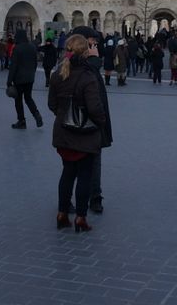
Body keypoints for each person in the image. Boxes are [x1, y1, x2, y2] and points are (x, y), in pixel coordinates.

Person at [49, 34, 108, 232]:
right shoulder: (87, 76)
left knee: (67, 173)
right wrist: (100, 123)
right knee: (84, 176)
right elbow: (95, 108)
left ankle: (62, 213)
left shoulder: (58, 74)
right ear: (86, 52)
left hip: (63, 133)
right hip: (85, 135)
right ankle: (81, 218)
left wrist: (65, 116)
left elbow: (52, 104)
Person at [66, 26, 112, 214]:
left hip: (77, 124)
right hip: (82, 123)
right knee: (75, 164)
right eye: (92, 42)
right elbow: (86, 86)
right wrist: (94, 61)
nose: (95, 46)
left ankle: (94, 196)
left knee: (86, 163)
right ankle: (82, 199)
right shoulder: (77, 67)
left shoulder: (81, 65)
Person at [7, 29, 43, 129]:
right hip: (30, 78)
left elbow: (13, 65)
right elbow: (35, 62)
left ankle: (21, 121)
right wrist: (32, 73)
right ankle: (36, 114)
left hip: (19, 78)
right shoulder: (32, 47)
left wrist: (9, 81)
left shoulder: (17, 48)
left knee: (18, 100)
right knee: (28, 98)